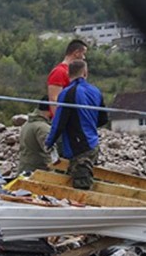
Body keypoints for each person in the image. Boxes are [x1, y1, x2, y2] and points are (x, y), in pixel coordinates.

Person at [45, 59, 107, 190]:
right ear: (85, 72)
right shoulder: (95, 91)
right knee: (89, 177)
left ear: (68, 74)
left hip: (77, 147)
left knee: (80, 186)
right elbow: (103, 119)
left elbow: (59, 122)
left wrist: (49, 143)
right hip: (93, 145)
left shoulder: (67, 93)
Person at [47, 38, 88, 108]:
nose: (84, 57)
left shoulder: (75, 72)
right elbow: (54, 100)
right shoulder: (59, 72)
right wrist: (60, 118)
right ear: (76, 53)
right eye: (83, 54)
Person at [16, 102, 54, 175]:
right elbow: (50, 154)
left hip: (25, 169)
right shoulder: (43, 128)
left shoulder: (29, 123)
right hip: (36, 173)